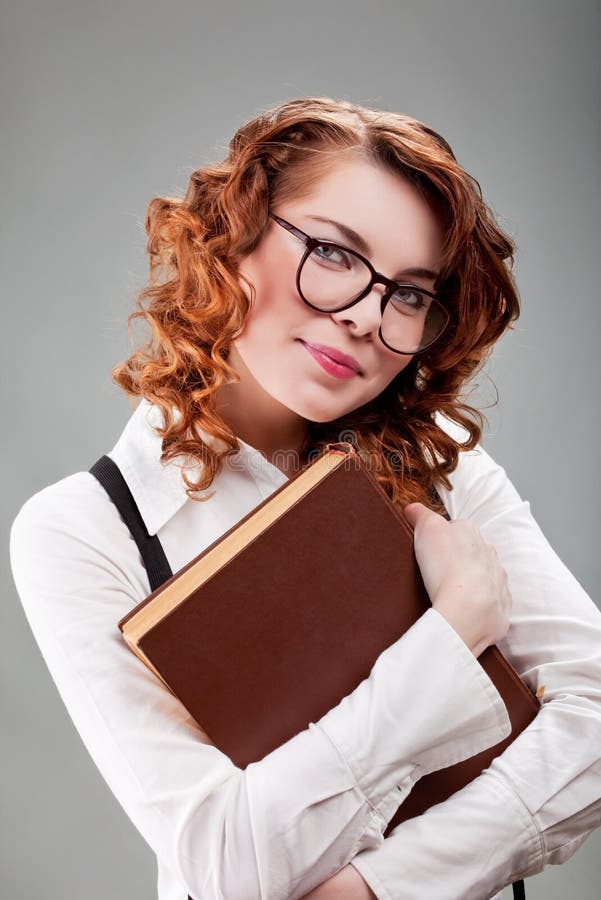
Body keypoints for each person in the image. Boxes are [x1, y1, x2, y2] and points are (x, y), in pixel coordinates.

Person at [9, 96, 601, 900]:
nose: (365, 316)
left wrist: (377, 888)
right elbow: (225, 867)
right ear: (233, 235)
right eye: (331, 253)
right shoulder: (85, 531)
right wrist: (449, 637)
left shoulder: (443, 473)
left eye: (409, 295)